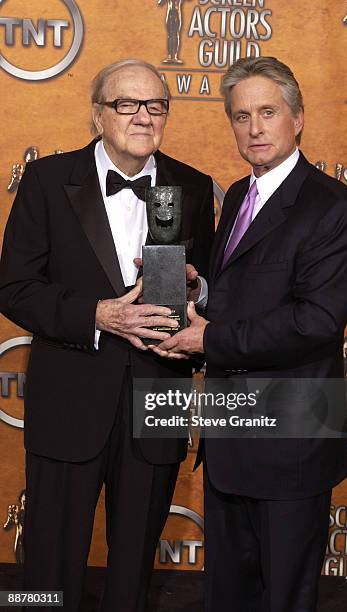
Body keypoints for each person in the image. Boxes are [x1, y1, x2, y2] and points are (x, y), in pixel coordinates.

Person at [0, 59, 214, 611]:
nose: (143, 116)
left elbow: (212, 287)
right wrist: (96, 315)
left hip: (158, 396)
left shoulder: (191, 186)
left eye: (156, 105)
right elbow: (15, 288)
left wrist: (197, 292)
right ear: (98, 114)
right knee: (47, 565)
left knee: (134, 571)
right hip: (69, 396)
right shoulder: (48, 181)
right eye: (127, 104)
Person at [152, 56, 347, 611]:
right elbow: (244, 296)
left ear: (297, 118)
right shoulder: (241, 198)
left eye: (267, 112)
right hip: (231, 440)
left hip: (290, 443)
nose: (254, 128)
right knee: (228, 597)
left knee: (285, 600)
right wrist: (199, 294)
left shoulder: (329, 205)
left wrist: (210, 340)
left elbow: (316, 320)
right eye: (241, 116)